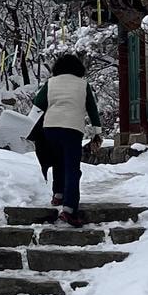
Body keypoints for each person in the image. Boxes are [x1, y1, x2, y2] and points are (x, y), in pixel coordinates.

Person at [30, 52, 103, 227]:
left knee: (57, 161)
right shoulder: (83, 84)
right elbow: (92, 109)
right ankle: (69, 209)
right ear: (78, 68)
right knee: (72, 168)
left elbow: (38, 102)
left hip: (51, 127)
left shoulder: (51, 82)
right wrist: (97, 132)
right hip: (72, 128)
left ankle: (58, 195)